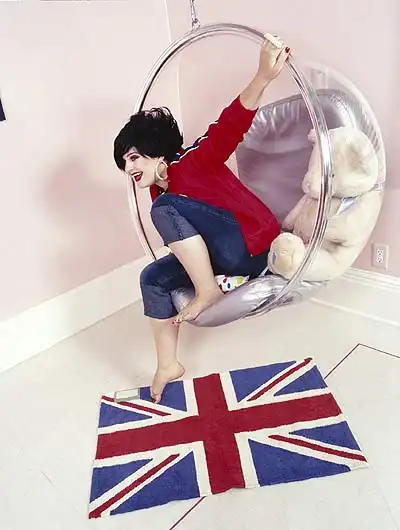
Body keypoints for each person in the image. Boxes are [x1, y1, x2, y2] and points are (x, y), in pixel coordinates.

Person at [114, 37, 290, 403]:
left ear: (155, 151)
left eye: (133, 158)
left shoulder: (193, 160)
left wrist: (262, 76)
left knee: (165, 208)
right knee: (151, 277)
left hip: (252, 246)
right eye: (124, 164)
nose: (129, 169)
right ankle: (168, 365)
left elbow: (228, 126)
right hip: (219, 258)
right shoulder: (159, 192)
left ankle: (208, 291)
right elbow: (189, 240)